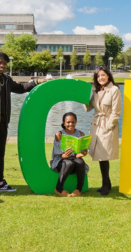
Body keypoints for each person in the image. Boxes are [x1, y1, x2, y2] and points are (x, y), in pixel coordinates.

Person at [0, 52, 46, 201]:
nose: (2, 66)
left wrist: (36, 82)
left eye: (4, 64)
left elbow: (21, 88)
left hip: (3, 125)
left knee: (0, 154)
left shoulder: (6, 80)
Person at [84, 66, 121, 195]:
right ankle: (107, 182)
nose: (101, 78)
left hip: (106, 125)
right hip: (96, 125)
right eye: (99, 76)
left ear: (108, 76)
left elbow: (116, 112)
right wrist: (82, 98)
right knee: (100, 156)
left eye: (103, 75)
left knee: (103, 155)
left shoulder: (114, 90)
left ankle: (105, 183)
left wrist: (109, 126)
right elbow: (88, 107)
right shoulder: (95, 90)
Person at [50, 112, 89, 197]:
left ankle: (79, 189)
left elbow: (81, 152)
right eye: (68, 122)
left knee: (80, 162)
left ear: (76, 122)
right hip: (61, 161)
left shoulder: (81, 134)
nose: (71, 124)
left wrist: (82, 154)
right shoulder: (59, 134)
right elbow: (57, 154)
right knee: (68, 163)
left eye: (73, 122)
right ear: (64, 123)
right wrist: (64, 156)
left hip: (75, 160)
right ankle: (58, 188)